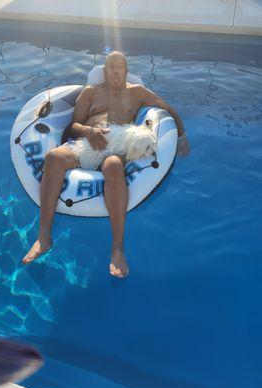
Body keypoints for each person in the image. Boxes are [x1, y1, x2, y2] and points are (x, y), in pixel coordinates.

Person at [22, 51, 190, 278]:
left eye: (120, 66)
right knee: (52, 157)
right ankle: (44, 237)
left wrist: (182, 137)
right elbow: (73, 126)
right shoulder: (91, 92)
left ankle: (118, 249)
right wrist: (88, 131)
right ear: (104, 70)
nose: (115, 70)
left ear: (126, 70)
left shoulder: (137, 93)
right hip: (85, 145)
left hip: (117, 149)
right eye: (111, 66)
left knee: (113, 165)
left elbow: (167, 109)